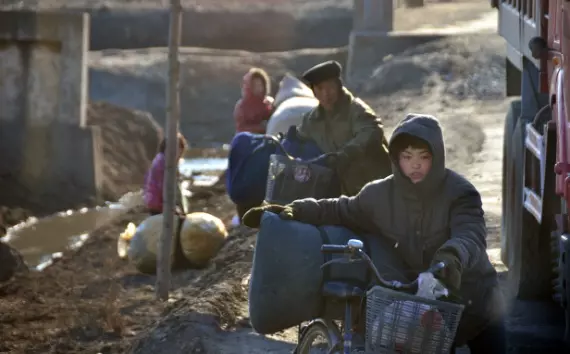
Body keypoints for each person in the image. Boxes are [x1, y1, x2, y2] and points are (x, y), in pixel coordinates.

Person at [242, 114, 506, 354]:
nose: (415, 165)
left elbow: (470, 235)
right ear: (396, 158)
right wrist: (294, 209)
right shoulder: (378, 194)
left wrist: (453, 256)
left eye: (424, 157)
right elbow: (340, 208)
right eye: (407, 156)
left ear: (437, 157)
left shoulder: (460, 193)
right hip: (420, 304)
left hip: (473, 301)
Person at [296, 60, 392, 196]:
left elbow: (371, 132)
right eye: (320, 88)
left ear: (339, 86)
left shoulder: (357, 110)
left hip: (378, 185)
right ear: (314, 92)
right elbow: (300, 141)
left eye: (330, 87)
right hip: (346, 191)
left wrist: (344, 155)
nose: (326, 94)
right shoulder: (312, 120)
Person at [143, 132, 189, 216]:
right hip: (159, 203)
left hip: (155, 201)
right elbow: (166, 187)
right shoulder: (164, 163)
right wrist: (174, 207)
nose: (176, 152)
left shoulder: (163, 159)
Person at [234, 67, 275, 134]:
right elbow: (241, 128)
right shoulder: (242, 106)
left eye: (260, 85)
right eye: (255, 85)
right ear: (249, 86)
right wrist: (260, 128)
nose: (258, 88)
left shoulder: (268, 103)